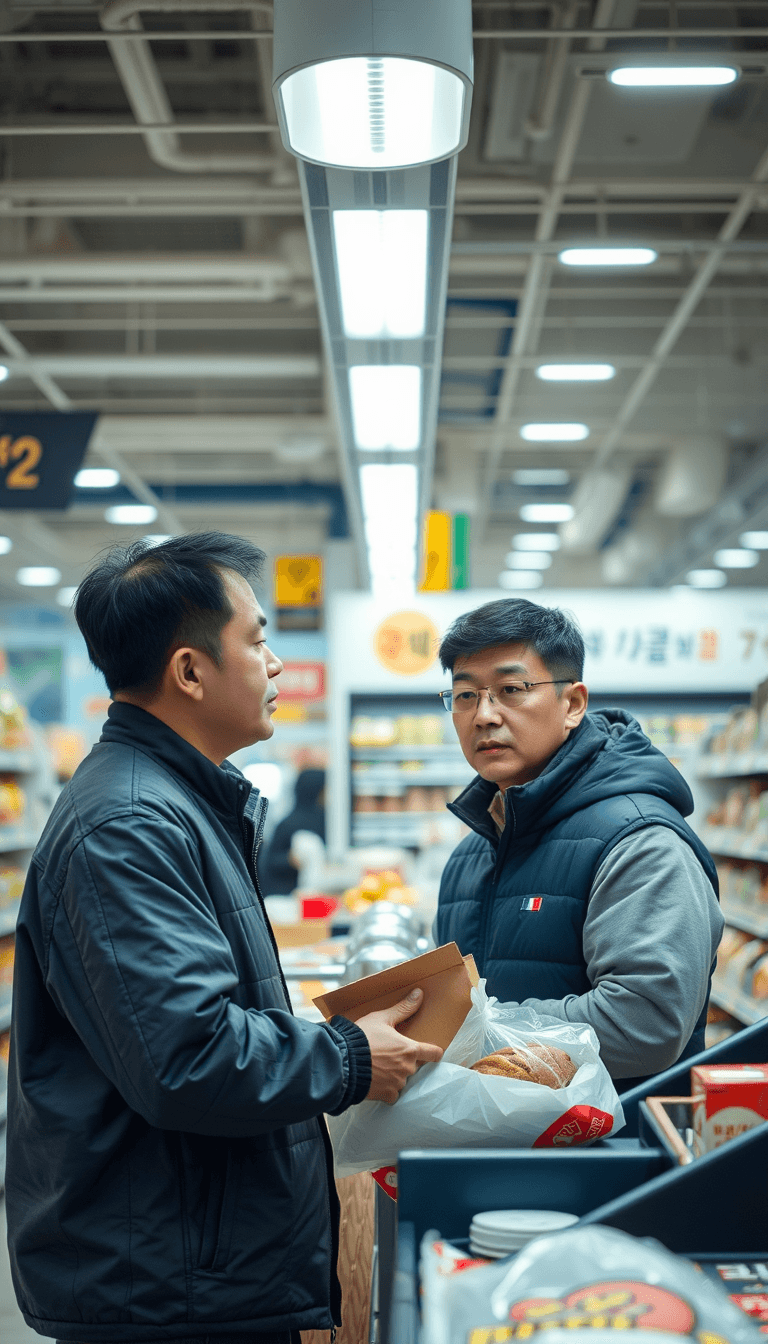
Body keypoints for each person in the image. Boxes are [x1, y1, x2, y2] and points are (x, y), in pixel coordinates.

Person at [6, 532, 442, 1343]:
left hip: (184, 1259)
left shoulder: (173, 802)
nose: (276, 663)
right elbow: (187, 1057)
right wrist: (349, 1057)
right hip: (167, 1284)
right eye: (258, 638)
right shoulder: (128, 825)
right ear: (190, 671)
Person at [434, 597, 723, 1091]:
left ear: (572, 704)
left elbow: (645, 1023)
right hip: (488, 1149)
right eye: (464, 695)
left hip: (611, 1155)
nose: (483, 715)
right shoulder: (471, 853)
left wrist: (473, 1033)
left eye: (511, 689)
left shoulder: (640, 843)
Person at [260, 767, 326, 895]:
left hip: (317, 893)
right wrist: (290, 859)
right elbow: (269, 861)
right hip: (285, 895)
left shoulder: (327, 820)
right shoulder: (288, 824)